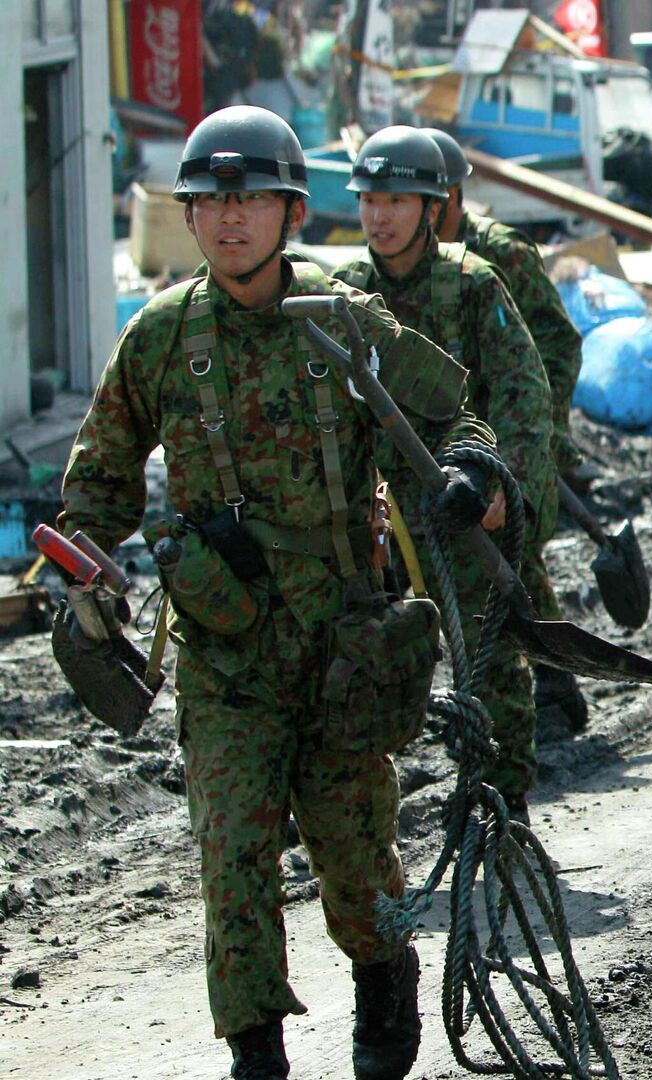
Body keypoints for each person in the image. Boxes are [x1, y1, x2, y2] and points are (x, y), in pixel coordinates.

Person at [58, 105, 492, 1080]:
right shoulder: (163, 338)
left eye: (249, 198)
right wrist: (78, 558)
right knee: (234, 864)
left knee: (353, 862)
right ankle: (255, 1051)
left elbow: (450, 410)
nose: (229, 219)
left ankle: (385, 981)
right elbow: (102, 477)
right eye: (210, 201)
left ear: (291, 210)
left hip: (344, 648)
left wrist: (470, 472)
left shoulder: (343, 321)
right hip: (225, 654)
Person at [334, 126, 559, 822]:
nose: (379, 215)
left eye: (396, 199)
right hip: (382, 510)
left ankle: (504, 797)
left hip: (461, 496)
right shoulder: (346, 295)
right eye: (370, 199)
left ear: (432, 207)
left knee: (488, 658)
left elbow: (525, 392)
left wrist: (501, 485)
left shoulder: (471, 284)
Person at [426, 127, 591, 734]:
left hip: (511, 434)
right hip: (445, 440)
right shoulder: (395, 271)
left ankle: (550, 684)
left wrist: (538, 435)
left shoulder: (500, 255)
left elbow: (555, 343)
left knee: (515, 562)